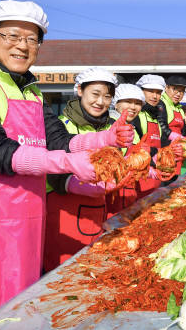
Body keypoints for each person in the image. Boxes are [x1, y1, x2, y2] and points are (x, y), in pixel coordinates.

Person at [0, 0, 134, 330]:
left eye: (32, 39)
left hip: (26, 227)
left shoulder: (32, 93)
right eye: (12, 35)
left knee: (20, 316)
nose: (22, 45)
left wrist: (105, 138)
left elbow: (59, 140)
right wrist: (68, 163)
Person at [43, 67, 119, 272]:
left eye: (107, 96)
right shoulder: (60, 126)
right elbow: (45, 165)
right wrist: (71, 183)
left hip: (99, 210)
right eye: (95, 94)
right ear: (79, 90)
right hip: (63, 213)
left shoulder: (111, 128)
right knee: (62, 277)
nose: (100, 102)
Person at [112, 83, 177, 208]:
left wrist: (151, 168)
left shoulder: (132, 128)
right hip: (113, 195)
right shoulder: (110, 125)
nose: (133, 107)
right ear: (116, 103)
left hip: (131, 191)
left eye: (137, 103)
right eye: (128, 101)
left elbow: (136, 158)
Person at [135, 74, 172, 192]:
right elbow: (134, 149)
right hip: (140, 179)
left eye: (158, 92)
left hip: (155, 179)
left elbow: (161, 143)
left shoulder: (155, 116)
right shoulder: (137, 115)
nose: (155, 96)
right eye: (150, 91)